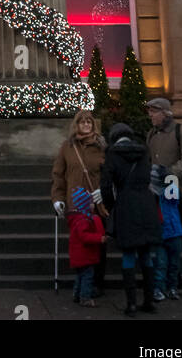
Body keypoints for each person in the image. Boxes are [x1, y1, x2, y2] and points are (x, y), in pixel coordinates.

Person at [100, 122, 162, 317]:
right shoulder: (143, 151)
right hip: (146, 204)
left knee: (128, 255)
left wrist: (111, 206)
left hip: (126, 205)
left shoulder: (112, 154)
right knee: (145, 254)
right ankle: (149, 301)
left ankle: (132, 304)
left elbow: (106, 186)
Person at [145, 96, 182, 296]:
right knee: (168, 239)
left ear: (164, 113)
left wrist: (169, 172)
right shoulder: (151, 134)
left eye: (153, 111)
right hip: (162, 198)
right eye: (149, 111)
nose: (150, 115)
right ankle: (173, 279)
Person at [50, 109, 108, 303]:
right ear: (76, 125)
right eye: (82, 122)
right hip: (76, 203)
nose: (86, 125)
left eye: (89, 122)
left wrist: (105, 192)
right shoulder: (67, 147)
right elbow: (59, 174)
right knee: (81, 245)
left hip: (96, 204)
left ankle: (95, 284)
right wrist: (57, 198)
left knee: (98, 243)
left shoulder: (101, 147)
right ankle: (83, 285)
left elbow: (108, 174)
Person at [149, 164, 182, 300]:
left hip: (171, 231)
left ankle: (170, 287)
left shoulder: (169, 191)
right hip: (168, 231)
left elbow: (174, 197)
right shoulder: (155, 194)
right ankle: (162, 287)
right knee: (162, 264)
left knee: (170, 264)